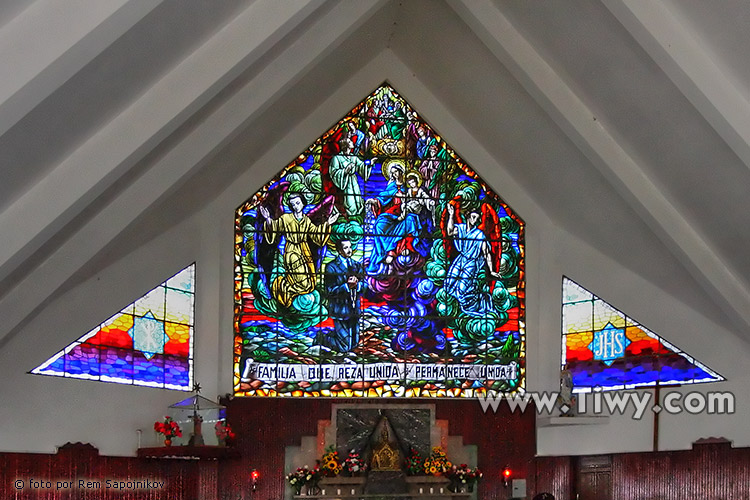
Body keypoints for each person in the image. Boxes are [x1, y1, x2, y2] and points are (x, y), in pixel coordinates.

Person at [258, 193, 338, 307]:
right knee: (302, 281)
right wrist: (268, 219)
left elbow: (317, 236)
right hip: (291, 251)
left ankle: (285, 289)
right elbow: (274, 229)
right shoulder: (286, 218)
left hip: (304, 251)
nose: (296, 206)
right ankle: (284, 291)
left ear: (303, 203)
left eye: (298, 203)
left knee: (309, 282)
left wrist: (328, 224)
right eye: (293, 204)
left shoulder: (306, 220)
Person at [443, 203, 502, 317]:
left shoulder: (479, 235)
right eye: (473, 217)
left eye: (477, 218)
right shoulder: (460, 228)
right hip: (460, 260)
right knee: (449, 285)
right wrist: (451, 215)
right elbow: (450, 232)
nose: (475, 220)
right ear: (468, 216)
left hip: (471, 263)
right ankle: (453, 313)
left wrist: (491, 271)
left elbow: (486, 253)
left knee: (462, 290)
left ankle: (476, 306)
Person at [322, 240, 366, 352]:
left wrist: (357, 286)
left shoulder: (356, 265)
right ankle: (322, 338)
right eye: (346, 248)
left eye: (350, 247)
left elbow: (365, 286)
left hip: (354, 310)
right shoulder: (331, 267)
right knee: (344, 347)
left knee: (354, 344)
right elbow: (329, 291)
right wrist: (346, 287)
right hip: (340, 310)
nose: (349, 250)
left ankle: (334, 336)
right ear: (339, 250)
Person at [329, 137, 372, 219]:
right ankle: (349, 217)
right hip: (345, 183)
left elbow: (361, 166)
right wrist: (345, 171)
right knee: (350, 201)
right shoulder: (337, 158)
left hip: (354, 181)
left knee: (357, 199)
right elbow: (333, 172)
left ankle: (358, 216)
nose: (352, 142)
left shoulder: (353, 157)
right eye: (349, 141)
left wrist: (369, 164)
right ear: (345, 145)